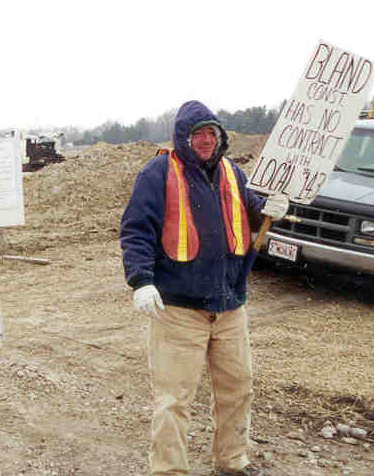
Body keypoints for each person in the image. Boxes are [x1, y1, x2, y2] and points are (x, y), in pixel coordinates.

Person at [120, 101, 288, 476]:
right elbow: (136, 230)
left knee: (237, 390)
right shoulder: (157, 172)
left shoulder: (233, 172)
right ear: (183, 137)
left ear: (221, 136)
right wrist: (141, 281)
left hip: (230, 307)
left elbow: (252, 214)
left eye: (212, 133)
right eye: (198, 133)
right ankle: (168, 470)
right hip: (179, 311)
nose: (206, 140)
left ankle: (231, 462)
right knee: (173, 400)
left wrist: (269, 209)